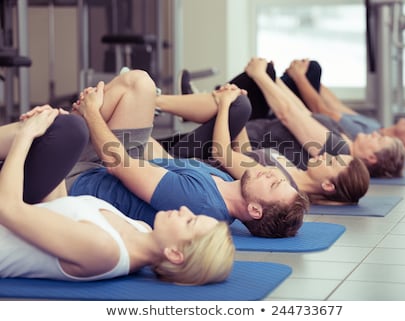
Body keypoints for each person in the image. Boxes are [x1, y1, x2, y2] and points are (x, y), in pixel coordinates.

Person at [2, 106, 234, 285]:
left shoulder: (104, 250)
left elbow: (8, 208)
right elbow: (58, 207)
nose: (185, 210)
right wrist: (57, 148)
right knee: (67, 130)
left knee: (62, 130)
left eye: (190, 221)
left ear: (174, 254)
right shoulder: (141, 229)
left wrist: (27, 135)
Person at [62, 69, 308, 238]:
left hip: (81, 178)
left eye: (274, 184)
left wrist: (92, 113)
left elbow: (117, 164)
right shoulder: (223, 183)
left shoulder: (200, 201)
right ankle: (63, 127)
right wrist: (134, 116)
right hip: (113, 163)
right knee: (139, 85)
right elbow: (162, 162)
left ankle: (58, 133)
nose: (270, 173)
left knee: (133, 86)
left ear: (255, 210)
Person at [156, 85, 370, 205]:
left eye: (331, 161)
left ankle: (153, 100)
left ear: (328, 185)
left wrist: (225, 108)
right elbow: (246, 153)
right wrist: (236, 122)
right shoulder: (292, 172)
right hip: (197, 154)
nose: (325, 155)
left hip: (186, 164)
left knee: (238, 105)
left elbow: (221, 154)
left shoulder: (279, 181)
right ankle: (154, 101)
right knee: (239, 102)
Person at [220, 57, 405, 178]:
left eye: (380, 140)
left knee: (245, 95)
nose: (375, 134)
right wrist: (274, 78)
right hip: (255, 126)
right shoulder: (345, 141)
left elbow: (288, 115)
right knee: (266, 74)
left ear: (371, 157)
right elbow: (302, 111)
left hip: (247, 135)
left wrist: (259, 74)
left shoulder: (338, 151)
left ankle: (205, 99)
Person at [282, 58, 405, 164]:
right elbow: (336, 105)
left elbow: (321, 111)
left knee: (313, 68)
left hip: (296, 112)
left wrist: (299, 77)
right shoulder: (375, 127)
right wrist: (311, 81)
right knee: (312, 69)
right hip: (300, 105)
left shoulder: (362, 136)